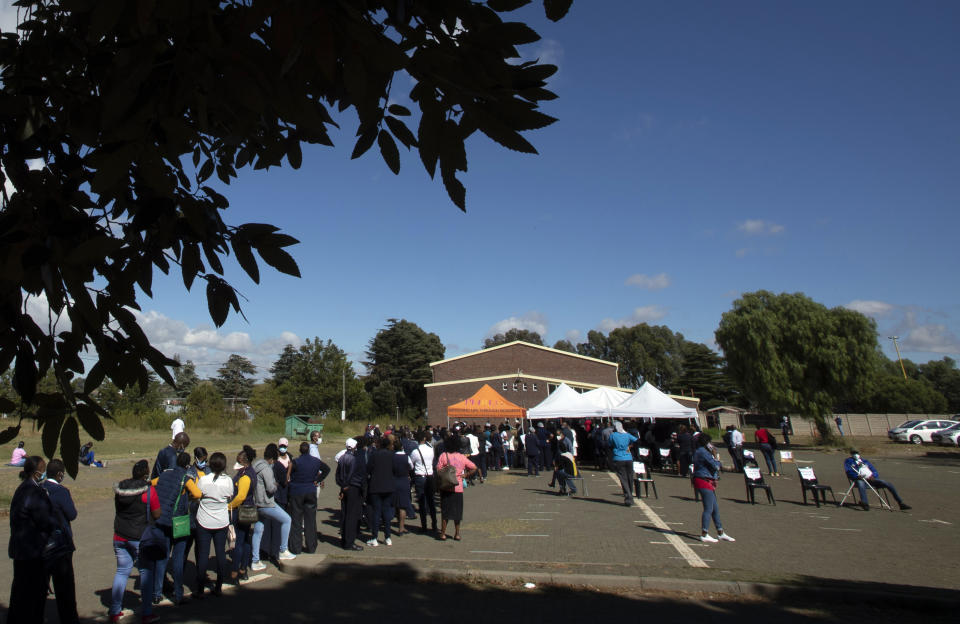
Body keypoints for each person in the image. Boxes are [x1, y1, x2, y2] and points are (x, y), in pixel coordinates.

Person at [110, 459, 161, 624]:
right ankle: (147, 612)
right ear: (146, 474)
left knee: (121, 572)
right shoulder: (148, 491)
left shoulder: (121, 490)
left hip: (120, 535)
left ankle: (115, 610)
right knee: (146, 573)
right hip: (140, 537)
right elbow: (157, 513)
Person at [7, 455, 57, 623]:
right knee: (33, 593)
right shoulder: (34, 492)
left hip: (19, 547)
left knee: (19, 590)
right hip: (32, 549)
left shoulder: (22, 489)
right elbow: (45, 520)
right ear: (37, 473)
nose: (43, 474)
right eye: (42, 470)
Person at [153, 450, 200, 606]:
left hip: (161, 520)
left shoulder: (165, 475)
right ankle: (178, 593)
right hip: (178, 520)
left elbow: (153, 483)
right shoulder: (185, 478)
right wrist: (187, 496)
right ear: (187, 465)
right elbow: (198, 493)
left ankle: (157, 592)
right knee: (178, 558)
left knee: (162, 557)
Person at [42, 458, 80, 624]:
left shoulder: (40, 489)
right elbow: (71, 514)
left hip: (42, 543)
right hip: (60, 544)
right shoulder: (60, 491)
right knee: (65, 590)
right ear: (59, 474)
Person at [250, 445, 297, 570]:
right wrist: (275, 484)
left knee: (258, 530)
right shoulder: (267, 469)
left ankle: (255, 560)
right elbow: (270, 488)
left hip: (257, 502)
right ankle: (283, 549)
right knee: (287, 519)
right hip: (266, 502)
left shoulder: (255, 465)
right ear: (272, 458)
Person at [195, 452, 234, 598]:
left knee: (203, 554)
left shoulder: (204, 480)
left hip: (204, 520)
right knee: (220, 554)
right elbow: (230, 495)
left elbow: (198, 495)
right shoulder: (228, 481)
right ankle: (218, 586)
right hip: (221, 521)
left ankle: (199, 589)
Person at [288, 441, 330, 554]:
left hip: (297, 491)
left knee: (296, 520)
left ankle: (296, 548)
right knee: (310, 520)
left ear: (300, 450)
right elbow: (327, 469)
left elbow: (289, 475)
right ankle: (311, 546)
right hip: (310, 490)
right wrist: (318, 479)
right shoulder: (315, 461)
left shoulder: (296, 462)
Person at [692, 434, 735, 543]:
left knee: (714, 508)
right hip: (703, 480)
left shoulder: (700, 451)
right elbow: (715, 465)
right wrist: (716, 457)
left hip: (705, 479)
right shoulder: (703, 452)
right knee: (708, 508)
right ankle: (704, 533)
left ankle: (720, 532)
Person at [435, 435, 477, 541]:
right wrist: (465, 475)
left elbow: (438, 470)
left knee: (445, 511)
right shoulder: (461, 457)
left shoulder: (443, 456)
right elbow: (474, 467)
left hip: (446, 486)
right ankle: (457, 534)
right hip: (458, 487)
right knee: (457, 512)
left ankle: (443, 533)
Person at [843, 449, 911, 511]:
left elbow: (874, 471)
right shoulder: (848, 461)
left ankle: (901, 503)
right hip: (859, 479)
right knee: (861, 483)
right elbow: (848, 471)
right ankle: (865, 503)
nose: (856, 455)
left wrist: (873, 476)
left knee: (887, 483)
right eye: (854, 453)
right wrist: (857, 476)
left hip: (871, 479)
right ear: (851, 454)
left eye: (857, 453)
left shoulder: (865, 461)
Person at [228, 448, 256, 583]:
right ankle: (243, 569)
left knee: (238, 542)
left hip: (242, 510)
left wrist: (229, 506)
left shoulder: (245, 476)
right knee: (245, 540)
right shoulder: (250, 472)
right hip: (249, 509)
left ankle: (235, 570)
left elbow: (241, 496)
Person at [366, 435, 396, 546]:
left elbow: (368, 468)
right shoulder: (392, 455)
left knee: (376, 512)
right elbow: (395, 469)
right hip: (389, 486)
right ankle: (388, 537)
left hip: (376, 486)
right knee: (386, 512)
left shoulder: (374, 455)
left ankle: (374, 537)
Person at [336, 438, 365, 551]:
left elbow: (337, 475)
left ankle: (344, 539)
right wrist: (347, 485)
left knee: (344, 513)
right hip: (352, 487)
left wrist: (341, 486)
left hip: (344, 487)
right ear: (354, 447)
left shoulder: (342, 458)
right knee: (351, 516)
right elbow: (352, 473)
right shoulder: (353, 459)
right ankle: (349, 542)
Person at [410, 430, 437, 534]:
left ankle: (424, 525)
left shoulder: (415, 451)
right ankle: (434, 523)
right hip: (430, 475)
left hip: (420, 476)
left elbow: (411, 464)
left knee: (421, 502)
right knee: (431, 501)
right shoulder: (431, 449)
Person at [609, 421, 638, 507]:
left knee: (623, 478)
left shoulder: (613, 435)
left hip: (618, 458)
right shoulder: (627, 435)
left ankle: (628, 496)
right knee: (630, 477)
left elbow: (609, 444)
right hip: (628, 458)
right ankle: (630, 495)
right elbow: (636, 440)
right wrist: (629, 445)